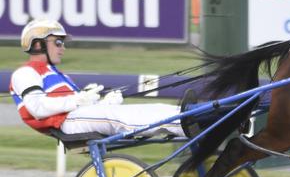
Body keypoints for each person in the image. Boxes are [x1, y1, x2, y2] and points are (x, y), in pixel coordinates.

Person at [9, 19, 185, 137]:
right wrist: (78, 100)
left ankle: (187, 114)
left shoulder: (57, 74)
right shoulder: (24, 73)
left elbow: (79, 107)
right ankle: (183, 124)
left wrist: (104, 103)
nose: (63, 48)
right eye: (58, 42)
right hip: (66, 123)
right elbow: (37, 108)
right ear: (38, 44)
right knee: (118, 117)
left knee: (150, 108)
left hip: (75, 118)